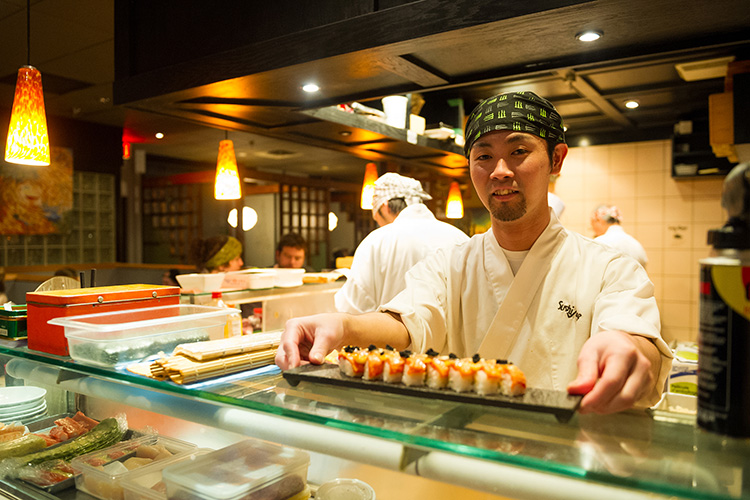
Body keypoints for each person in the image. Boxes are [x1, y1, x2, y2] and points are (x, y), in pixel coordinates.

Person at [276, 91, 672, 415]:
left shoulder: (610, 268)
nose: (499, 169)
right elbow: (408, 321)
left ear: (556, 159)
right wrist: (343, 327)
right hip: (464, 461)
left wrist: (628, 348)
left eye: (518, 151)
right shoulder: (450, 263)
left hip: (563, 463)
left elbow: (633, 336)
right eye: (483, 156)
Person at [334, 172, 469, 314]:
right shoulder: (461, 239)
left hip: (389, 335)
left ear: (385, 206)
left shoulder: (376, 242)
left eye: (376, 217)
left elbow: (353, 309)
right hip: (455, 336)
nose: (378, 223)